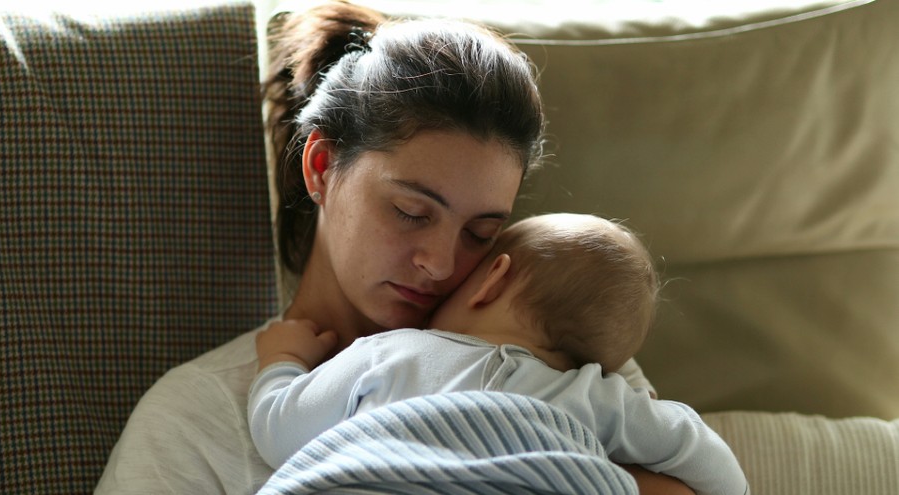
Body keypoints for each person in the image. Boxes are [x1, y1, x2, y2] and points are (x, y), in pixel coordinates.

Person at [96, 1, 688, 493]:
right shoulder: (195, 423)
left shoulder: (548, 334)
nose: (441, 264)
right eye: (410, 212)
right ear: (322, 167)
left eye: (479, 234)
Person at [248, 213, 749, 495]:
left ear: (491, 279)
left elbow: (279, 430)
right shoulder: (597, 397)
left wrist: (282, 360)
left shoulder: (391, 350)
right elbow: (709, 461)